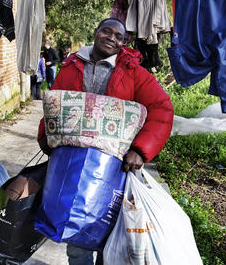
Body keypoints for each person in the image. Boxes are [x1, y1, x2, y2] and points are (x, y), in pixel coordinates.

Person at [37, 18, 174, 265]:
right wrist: (46, 136)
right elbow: (54, 106)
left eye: (119, 36)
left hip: (114, 167)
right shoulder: (71, 67)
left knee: (107, 232)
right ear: (96, 32)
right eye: (106, 31)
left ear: (123, 43)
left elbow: (161, 108)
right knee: (75, 233)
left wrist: (141, 151)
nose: (112, 38)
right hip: (72, 163)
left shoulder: (133, 73)